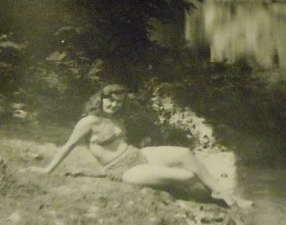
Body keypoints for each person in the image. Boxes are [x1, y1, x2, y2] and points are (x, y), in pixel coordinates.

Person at [41, 84, 251, 208]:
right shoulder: (88, 122)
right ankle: (216, 200)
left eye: (118, 103)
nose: (113, 105)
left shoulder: (118, 119)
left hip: (138, 155)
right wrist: (46, 170)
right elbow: (68, 146)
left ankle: (225, 195)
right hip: (123, 170)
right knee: (186, 176)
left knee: (185, 153)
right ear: (101, 99)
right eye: (110, 101)